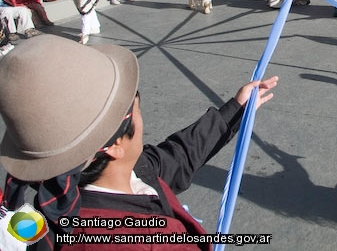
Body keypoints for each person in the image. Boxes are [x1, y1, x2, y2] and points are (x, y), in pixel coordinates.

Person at [0, 35, 279, 250]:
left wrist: (235, 109)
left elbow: (175, 158)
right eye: (138, 110)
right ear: (115, 146)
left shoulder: (52, 206)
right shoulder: (149, 240)